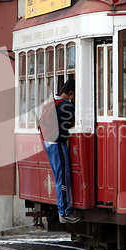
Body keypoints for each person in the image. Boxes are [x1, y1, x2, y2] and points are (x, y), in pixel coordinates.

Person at [41, 79, 81, 224]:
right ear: (71, 93)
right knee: (62, 178)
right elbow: (77, 122)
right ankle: (64, 211)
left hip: (48, 143)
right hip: (58, 144)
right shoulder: (65, 106)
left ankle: (63, 210)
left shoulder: (52, 102)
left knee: (59, 177)